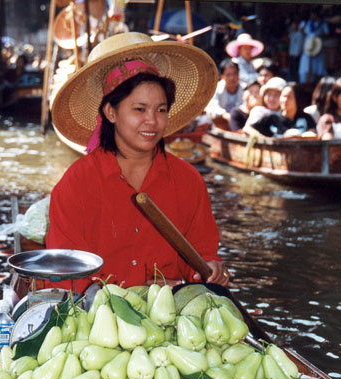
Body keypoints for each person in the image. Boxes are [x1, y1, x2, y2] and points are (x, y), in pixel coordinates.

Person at [46, 32, 230, 291]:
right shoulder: (77, 183)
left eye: (161, 110)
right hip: (98, 318)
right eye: (139, 109)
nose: (152, 122)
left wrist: (210, 268)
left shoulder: (188, 181)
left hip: (169, 311)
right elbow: (66, 272)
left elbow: (200, 256)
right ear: (111, 112)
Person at [244, 82, 316, 138]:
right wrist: (263, 138)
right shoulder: (271, 118)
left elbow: (313, 132)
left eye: (289, 97)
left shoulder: (306, 118)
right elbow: (247, 129)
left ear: (298, 99)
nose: (285, 100)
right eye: (283, 96)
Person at [203, 59, 243, 130]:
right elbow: (212, 107)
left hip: (239, 123)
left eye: (234, 74)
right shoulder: (216, 89)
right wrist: (224, 114)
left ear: (238, 74)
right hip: (219, 123)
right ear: (222, 77)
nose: (232, 78)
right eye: (228, 75)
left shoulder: (244, 89)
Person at [298, 10, 329, 84]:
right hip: (309, 46)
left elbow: (326, 33)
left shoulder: (323, 23)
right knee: (305, 63)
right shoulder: (308, 23)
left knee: (318, 65)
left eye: (313, 15)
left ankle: (317, 81)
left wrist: (317, 36)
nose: (311, 16)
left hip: (318, 46)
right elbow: (304, 33)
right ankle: (305, 82)